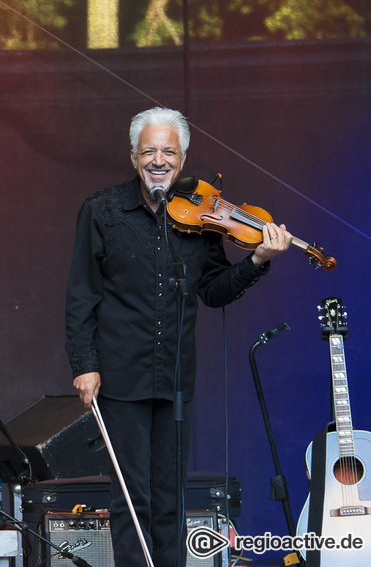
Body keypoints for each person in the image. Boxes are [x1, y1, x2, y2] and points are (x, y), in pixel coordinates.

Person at [65, 107, 292, 567]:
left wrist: (257, 261)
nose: (158, 160)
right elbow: (80, 294)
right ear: (133, 157)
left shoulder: (200, 218)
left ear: (183, 159)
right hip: (119, 377)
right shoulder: (102, 210)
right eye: (148, 150)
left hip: (174, 379)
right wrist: (84, 364)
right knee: (132, 499)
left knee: (171, 500)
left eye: (168, 151)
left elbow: (212, 291)